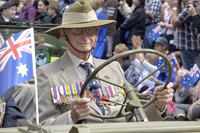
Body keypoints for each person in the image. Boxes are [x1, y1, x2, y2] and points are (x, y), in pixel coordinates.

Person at [35, 0, 174, 125]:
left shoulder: (113, 67)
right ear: (64, 34)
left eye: (91, 30)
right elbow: (43, 125)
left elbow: (131, 118)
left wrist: (157, 104)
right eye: (77, 30)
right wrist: (71, 117)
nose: (85, 37)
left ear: (97, 34)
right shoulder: (47, 74)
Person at [172, 0, 200, 70]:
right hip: (191, 44)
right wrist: (178, 6)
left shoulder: (189, 7)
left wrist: (174, 7)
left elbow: (174, 22)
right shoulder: (195, 5)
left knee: (190, 72)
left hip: (188, 45)